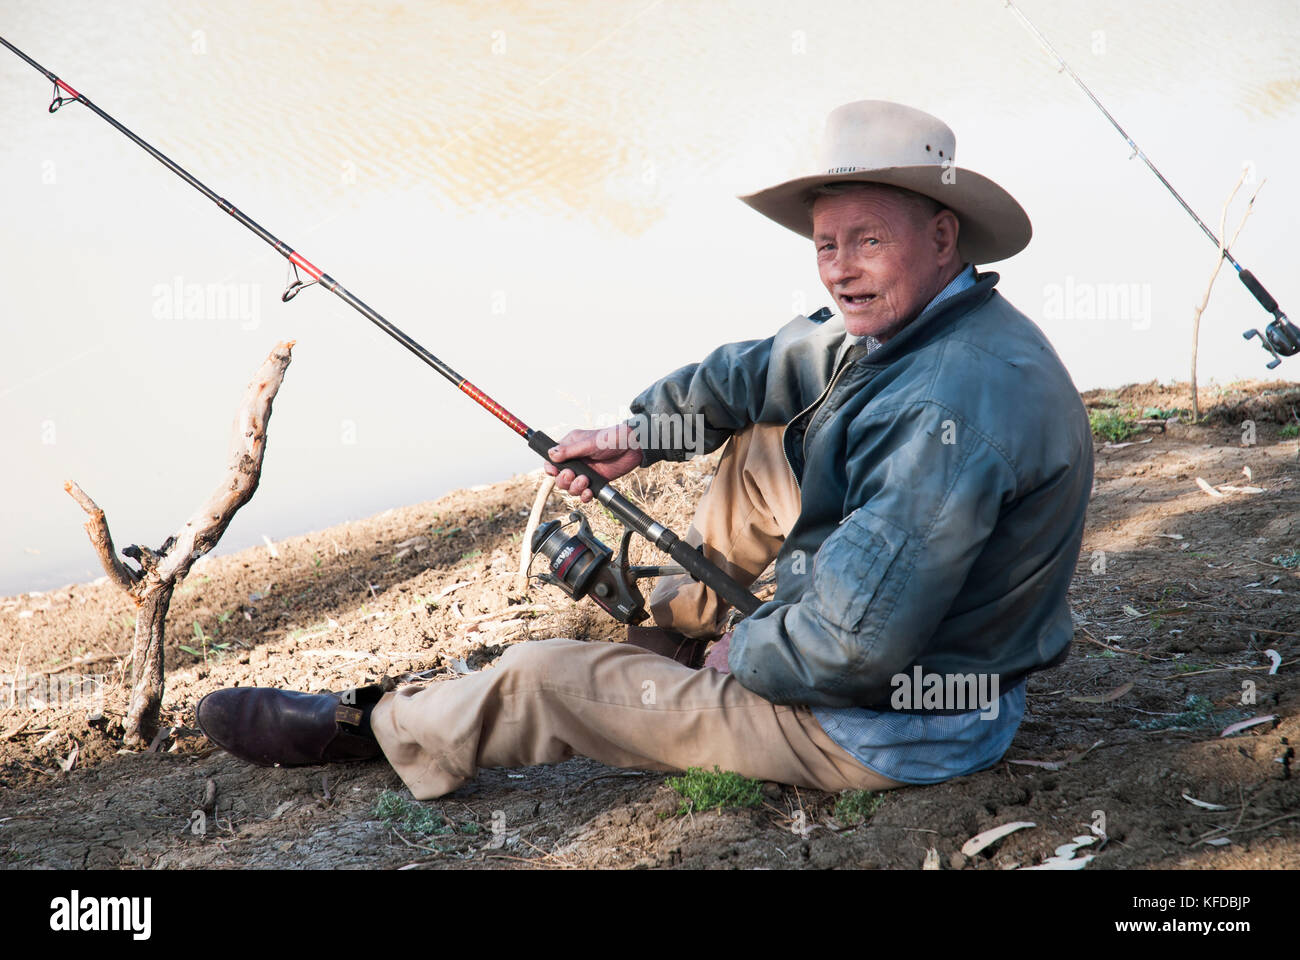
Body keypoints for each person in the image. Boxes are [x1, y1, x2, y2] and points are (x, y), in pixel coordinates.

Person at [197, 100, 1093, 799]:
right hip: (917, 652)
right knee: (766, 449)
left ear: (942, 236)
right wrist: (638, 436)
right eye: (827, 244)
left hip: (888, 726)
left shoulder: (945, 412)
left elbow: (851, 649)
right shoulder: (925, 323)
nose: (840, 268)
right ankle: (680, 626)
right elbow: (761, 373)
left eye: (868, 241)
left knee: (544, 677)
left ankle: (379, 728)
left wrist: (748, 656)